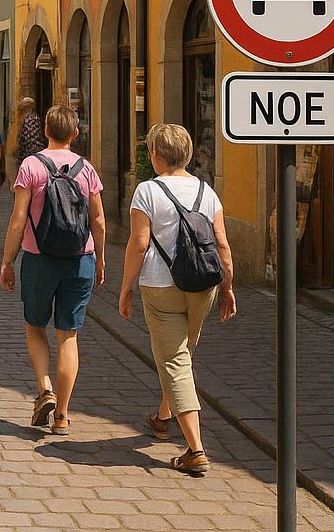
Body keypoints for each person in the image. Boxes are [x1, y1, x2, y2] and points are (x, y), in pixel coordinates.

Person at [119, 123, 237, 476]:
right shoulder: (207, 191)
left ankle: (196, 449)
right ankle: (162, 417)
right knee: (181, 354)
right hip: (203, 285)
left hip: (160, 285)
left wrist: (126, 286)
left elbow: (139, 243)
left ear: (157, 154)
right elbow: (222, 245)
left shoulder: (147, 192)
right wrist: (228, 287)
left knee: (174, 360)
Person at [0, 105, 105, 435]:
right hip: (79, 259)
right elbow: (98, 220)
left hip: (39, 258)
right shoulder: (86, 169)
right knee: (68, 336)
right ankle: (62, 414)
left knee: (34, 326)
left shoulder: (31, 166)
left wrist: (7, 260)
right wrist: (100, 258)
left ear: (46, 129)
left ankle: (44, 387)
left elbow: (18, 219)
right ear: (75, 134)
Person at [13, 98, 46, 179]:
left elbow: (27, 139)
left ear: (27, 108)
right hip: (31, 155)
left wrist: (18, 151)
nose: (20, 111)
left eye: (22, 108)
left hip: (30, 156)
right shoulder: (31, 118)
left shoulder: (31, 120)